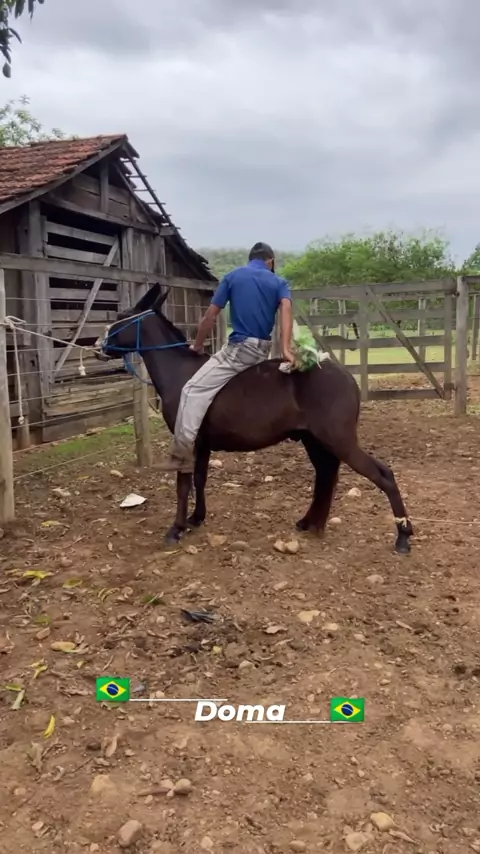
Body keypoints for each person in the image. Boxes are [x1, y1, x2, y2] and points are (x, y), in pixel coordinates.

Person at [159, 242, 295, 473]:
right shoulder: (279, 282)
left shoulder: (232, 277)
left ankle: (182, 455)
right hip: (262, 349)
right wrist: (286, 349)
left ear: (250, 258)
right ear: (270, 261)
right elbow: (286, 309)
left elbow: (210, 316)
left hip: (239, 350)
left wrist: (198, 345)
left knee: (192, 390)